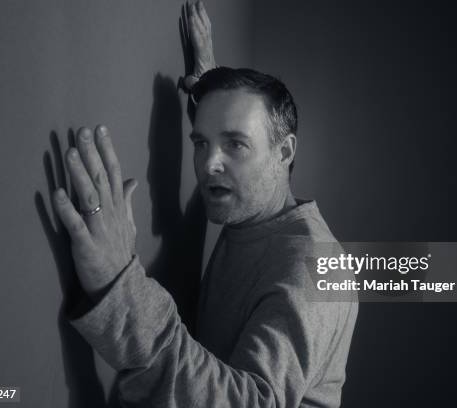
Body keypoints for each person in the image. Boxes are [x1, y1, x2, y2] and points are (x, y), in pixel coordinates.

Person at [52, 2, 358, 407]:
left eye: (235, 143)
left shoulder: (315, 271)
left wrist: (118, 285)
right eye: (201, 142)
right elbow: (233, 149)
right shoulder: (252, 207)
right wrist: (209, 84)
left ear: (284, 152)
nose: (210, 164)